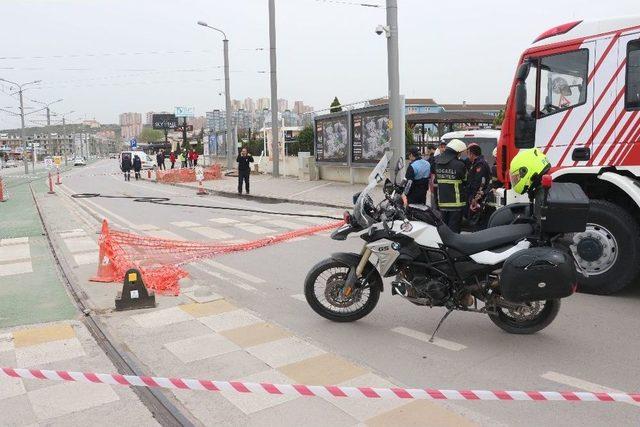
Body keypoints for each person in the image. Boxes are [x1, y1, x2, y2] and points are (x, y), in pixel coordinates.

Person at [434, 139, 468, 233]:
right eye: (460, 153)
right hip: (456, 203)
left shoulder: (437, 163)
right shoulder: (460, 165)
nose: (460, 154)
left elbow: (436, 180)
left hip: (442, 202)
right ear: (456, 152)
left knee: (444, 229)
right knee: (454, 230)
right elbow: (465, 181)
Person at [466, 143, 492, 215]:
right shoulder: (477, 163)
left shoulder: (480, 164)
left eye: (468, 153)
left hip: (478, 198)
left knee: (475, 219)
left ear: (471, 154)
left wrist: (474, 199)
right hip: (477, 197)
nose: (467, 156)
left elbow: (479, 183)